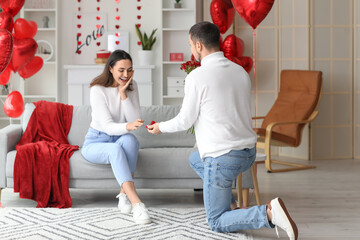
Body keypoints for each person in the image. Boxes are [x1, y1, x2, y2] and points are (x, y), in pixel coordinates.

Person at [147, 22, 298, 239]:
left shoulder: (197, 77)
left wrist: (160, 127)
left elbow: (185, 120)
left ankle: (268, 213)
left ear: (198, 45)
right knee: (196, 159)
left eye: (190, 45)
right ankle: (230, 202)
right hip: (247, 153)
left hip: (223, 159)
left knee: (216, 221)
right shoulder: (239, 72)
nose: (191, 49)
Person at [81, 50, 151, 225]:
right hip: (96, 141)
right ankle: (137, 203)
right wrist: (127, 126)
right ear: (110, 68)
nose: (125, 75)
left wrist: (123, 94)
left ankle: (123, 195)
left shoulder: (131, 85)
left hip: (120, 137)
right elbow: (106, 126)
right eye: (121, 70)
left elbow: (135, 118)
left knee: (131, 141)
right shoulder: (97, 89)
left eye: (129, 70)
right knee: (116, 148)